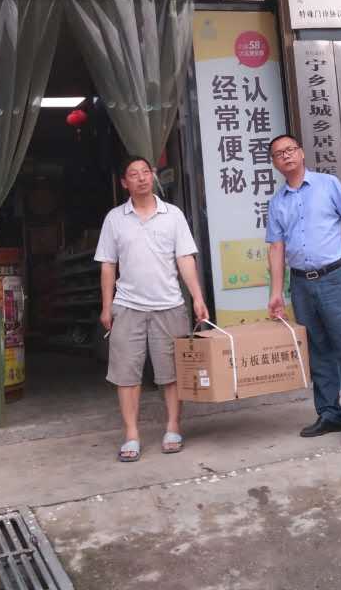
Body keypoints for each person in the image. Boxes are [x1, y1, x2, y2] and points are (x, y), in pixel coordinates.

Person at [265, 133, 341, 445]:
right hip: (301, 283)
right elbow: (276, 247)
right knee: (317, 351)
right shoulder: (277, 202)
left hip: (334, 277)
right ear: (274, 163)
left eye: (290, 150)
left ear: (301, 153)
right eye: (279, 154)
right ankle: (328, 413)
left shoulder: (328, 184)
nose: (286, 156)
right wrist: (276, 292)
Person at [97, 156, 209, 463]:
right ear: (125, 183)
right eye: (133, 174)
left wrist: (197, 297)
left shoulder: (173, 215)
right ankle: (131, 434)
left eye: (145, 172)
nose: (141, 178)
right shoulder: (114, 219)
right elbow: (108, 265)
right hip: (127, 306)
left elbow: (185, 258)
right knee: (126, 374)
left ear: (153, 176)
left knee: (171, 373)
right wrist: (106, 306)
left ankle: (173, 427)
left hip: (169, 304)